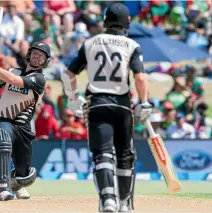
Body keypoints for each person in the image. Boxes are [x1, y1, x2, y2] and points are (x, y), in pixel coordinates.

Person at [60, 3, 151, 212]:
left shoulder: (90, 42)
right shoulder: (131, 45)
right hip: (122, 104)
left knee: (103, 154)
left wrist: (73, 98)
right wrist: (144, 102)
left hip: (97, 104)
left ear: (105, 20)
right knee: (125, 154)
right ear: (126, 22)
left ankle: (108, 198)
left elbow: (68, 74)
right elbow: (140, 76)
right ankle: (125, 203)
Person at [0, 41, 51, 201]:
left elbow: (15, 81)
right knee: (1, 140)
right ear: (29, 55)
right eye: (35, 53)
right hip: (3, 119)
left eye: (41, 56)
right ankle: (3, 187)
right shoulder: (13, 70)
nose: (37, 57)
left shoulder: (39, 79)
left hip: (23, 127)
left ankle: (17, 184)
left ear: (45, 61)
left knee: (25, 174)